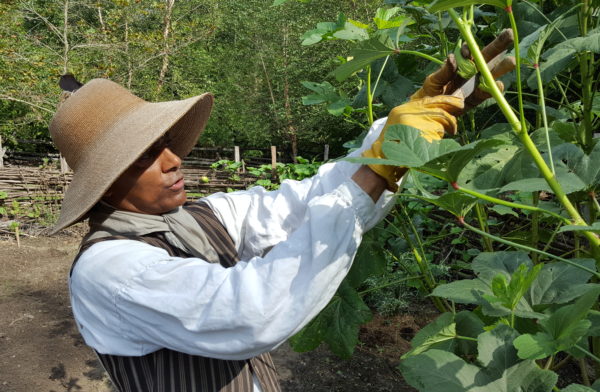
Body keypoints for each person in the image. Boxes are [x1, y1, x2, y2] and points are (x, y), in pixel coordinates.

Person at [49, 31, 514, 392]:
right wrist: (383, 164)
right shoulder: (109, 272)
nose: (173, 160)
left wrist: (406, 121)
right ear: (105, 185)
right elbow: (251, 312)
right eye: (145, 155)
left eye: (165, 144)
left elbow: (306, 200)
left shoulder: (203, 216)